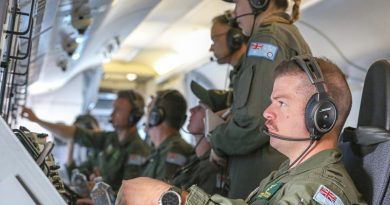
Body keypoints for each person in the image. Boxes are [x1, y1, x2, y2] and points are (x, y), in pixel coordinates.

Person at [115, 56, 367, 205]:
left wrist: (170, 198)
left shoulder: (318, 189)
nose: (267, 112)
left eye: (281, 102)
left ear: (322, 117)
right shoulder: (291, 173)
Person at [208, 0, 311, 198]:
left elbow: (255, 121)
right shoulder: (286, 34)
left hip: (260, 174)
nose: (235, 12)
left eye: (238, 3)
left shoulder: (267, 39)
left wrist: (218, 141)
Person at [21, 90, 151, 192]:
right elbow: (75, 133)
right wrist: (37, 120)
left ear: (134, 116)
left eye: (118, 110)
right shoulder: (109, 139)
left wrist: (100, 186)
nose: (112, 114)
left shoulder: (138, 150)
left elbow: (129, 196)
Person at [170, 81, 230, 196]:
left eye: (200, 107)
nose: (192, 110)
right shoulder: (195, 160)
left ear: (215, 117)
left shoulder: (214, 166)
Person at [141, 89, 194, 181]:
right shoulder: (159, 151)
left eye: (149, 109)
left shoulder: (175, 151)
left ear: (155, 116)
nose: (146, 115)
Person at [210, 11, 247, 92]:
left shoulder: (254, 67)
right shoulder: (237, 74)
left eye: (214, 40)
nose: (211, 48)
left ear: (234, 36)